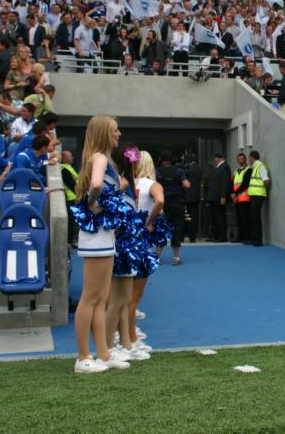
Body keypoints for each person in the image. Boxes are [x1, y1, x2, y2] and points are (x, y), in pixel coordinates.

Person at [73, 114, 129, 373]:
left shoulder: (105, 160)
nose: (118, 134)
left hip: (104, 234)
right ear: (105, 132)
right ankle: (83, 357)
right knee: (90, 297)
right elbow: (95, 184)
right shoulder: (100, 157)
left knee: (102, 298)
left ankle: (103, 354)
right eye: (115, 130)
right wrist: (93, 202)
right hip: (96, 234)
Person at [106, 144, 151, 364]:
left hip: (128, 243)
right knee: (116, 301)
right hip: (120, 244)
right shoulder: (122, 183)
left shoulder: (129, 183)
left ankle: (125, 343)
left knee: (123, 300)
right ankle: (107, 348)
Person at [127, 150, 164, 353]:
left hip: (125, 240)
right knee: (134, 297)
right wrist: (149, 221)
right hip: (141, 242)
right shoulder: (152, 184)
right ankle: (130, 338)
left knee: (122, 294)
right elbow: (160, 201)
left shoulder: (128, 183)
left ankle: (125, 333)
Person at [156, 151, 191, 265]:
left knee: (161, 229)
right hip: (177, 203)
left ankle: (157, 258)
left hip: (163, 203)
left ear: (161, 161)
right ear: (171, 160)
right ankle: (176, 258)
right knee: (177, 229)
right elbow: (187, 185)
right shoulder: (179, 170)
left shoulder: (158, 171)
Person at [206, 153, 231, 243]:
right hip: (213, 197)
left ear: (219, 159)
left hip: (218, 197)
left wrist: (223, 196)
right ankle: (215, 236)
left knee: (219, 217)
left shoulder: (224, 167)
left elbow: (225, 183)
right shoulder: (218, 168)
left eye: (216, 159)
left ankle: (222, 236)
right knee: (214, 217)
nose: (215, 160)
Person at [247, 150, 270, 246]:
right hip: (254, 195)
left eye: (249, 158)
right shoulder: (255, 167)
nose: (249, 159)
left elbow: (266, 180)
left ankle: (258, 239)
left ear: (252, 157)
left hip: (258, 195)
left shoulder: (260, 166)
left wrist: (265, 191)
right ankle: (254, 238)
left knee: (255, 217)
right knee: (253, 217)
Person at [231, 153, 252, 244]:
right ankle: (241, 236)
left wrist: (235, 193)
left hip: (245, 198)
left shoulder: (248, 170)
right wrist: (232, 193)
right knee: (239, 219)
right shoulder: (236, 171)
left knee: (245, 219)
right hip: (237, 199)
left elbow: (245, 184)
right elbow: (232, 183)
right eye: (239, 159)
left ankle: (247, 237)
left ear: (245, 160)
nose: (240, 161)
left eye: (242, 159)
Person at [60, 150, 79, 247]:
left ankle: (71, 241)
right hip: (69, 198)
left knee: (73, 220)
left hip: (73, 197)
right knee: (71, 221)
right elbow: (71, 184)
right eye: (69, 156)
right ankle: (70, 242)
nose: (72, 157)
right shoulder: (64, 169)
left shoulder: (69, 167)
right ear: (63, 158)